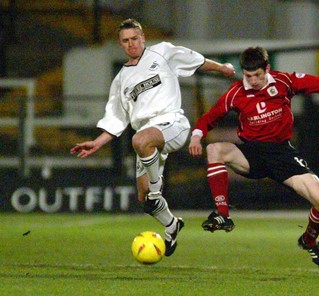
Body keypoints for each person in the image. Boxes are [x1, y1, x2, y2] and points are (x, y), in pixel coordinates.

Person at [188, 46, 319, 268]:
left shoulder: (284, 81)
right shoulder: (235, 93)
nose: (253, 80)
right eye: (248, 75)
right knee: (214, 149)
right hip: (252, 154)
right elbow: (210, 117)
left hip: (282, 155)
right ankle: (223, 214)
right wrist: (197, 136)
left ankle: (309, 240)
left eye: (257, 74)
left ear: (267, 68)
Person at [70, 18, 235, 257]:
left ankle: (157, 189)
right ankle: (171, 225)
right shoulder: (120, 80)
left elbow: (195, 60)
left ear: (143, 37)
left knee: (140, 143)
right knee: (144, 198)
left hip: (172, 124)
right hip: (147, 135)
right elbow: (116, 118)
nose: (131, 44)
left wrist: (222, 68)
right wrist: (97, 142)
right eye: (125, 41)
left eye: (134, 39)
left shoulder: (163, 53)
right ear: (120, 44)